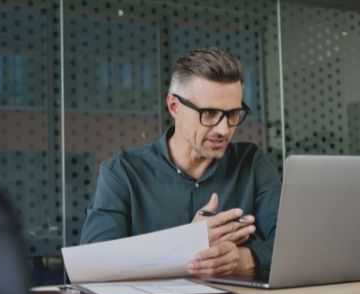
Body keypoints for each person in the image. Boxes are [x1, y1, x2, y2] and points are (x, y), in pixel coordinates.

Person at [80, 47, 281, 277]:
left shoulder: (252, 163)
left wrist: (247, 259)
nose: (223, 129)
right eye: (209, 113)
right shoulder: (122, 174)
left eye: (233, 114)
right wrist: (185, 244)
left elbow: (293, 244)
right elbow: (91, 267)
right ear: (174, 107)